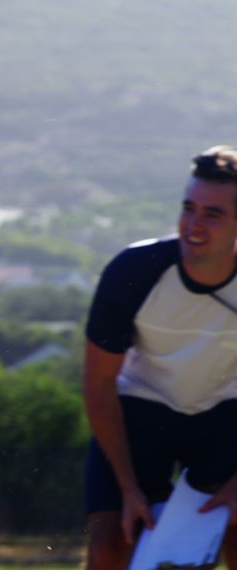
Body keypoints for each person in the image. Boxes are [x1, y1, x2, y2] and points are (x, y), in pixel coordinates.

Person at [83, 145, 237, 569]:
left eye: (213, 214)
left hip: (225, 416)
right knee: (110, 547)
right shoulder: (133, 272)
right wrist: (129, 489)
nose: (194, 225)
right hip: (140, 413)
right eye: (189, 209)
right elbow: (98, 386)